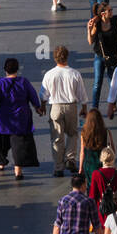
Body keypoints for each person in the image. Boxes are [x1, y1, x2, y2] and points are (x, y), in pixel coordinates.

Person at [0, 58, 43, 179]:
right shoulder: (24, 82)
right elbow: (33, 95)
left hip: (2, 120)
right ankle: (18, 171)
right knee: (18, 144)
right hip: (20, 119)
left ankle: (1, 162)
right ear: (17, 69)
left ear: (5, 70)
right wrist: (37, 107)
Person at [39, 45, 88, 177]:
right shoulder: (74, 73)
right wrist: (84, 108)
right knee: (72, 134)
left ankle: (58, 167)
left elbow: (43, 94)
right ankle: (70, 158)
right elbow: (82, 93)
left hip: (55, 106)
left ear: (55, 58)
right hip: (71, 106)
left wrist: (43, 106)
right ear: (67, 57)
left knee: (56, 137)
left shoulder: (49, 74)